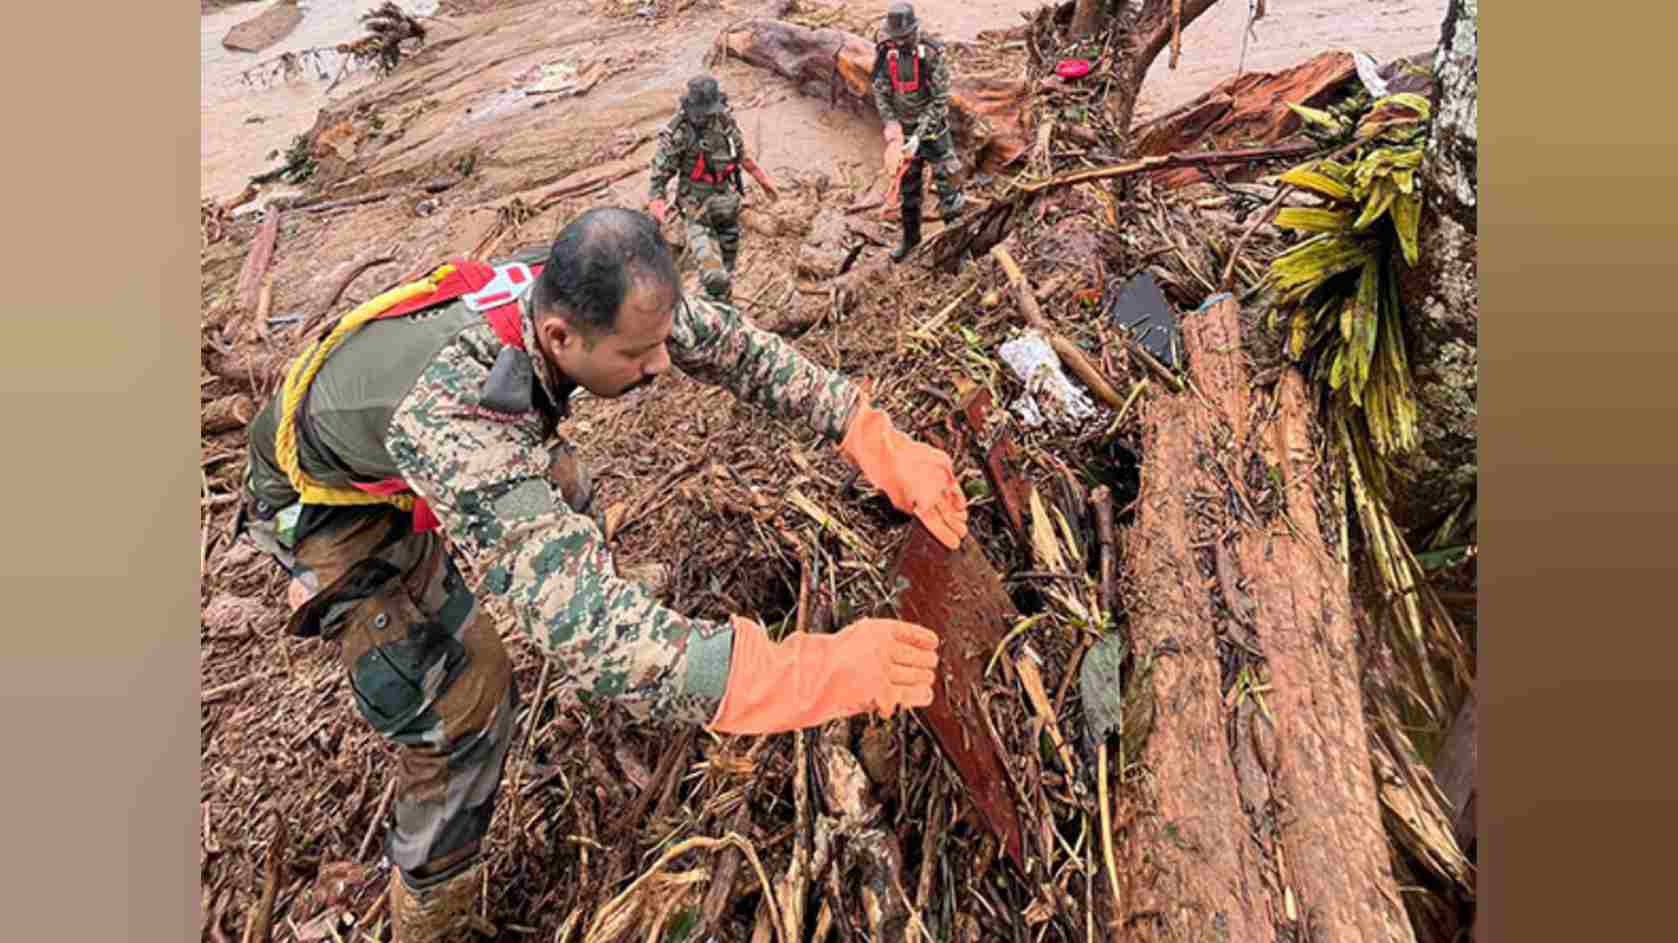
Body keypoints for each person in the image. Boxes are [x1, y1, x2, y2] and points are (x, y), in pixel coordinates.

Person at [233, 207, 967, 941]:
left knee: (568, 489)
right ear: (558, 338)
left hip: (422, 439)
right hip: (330, 506)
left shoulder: (594, 295)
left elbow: (737, 349)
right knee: (465, 702)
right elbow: (585, 635)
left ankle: (617, 607)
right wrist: (808, 672)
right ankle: (433, 917)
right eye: (638, 356)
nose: (661, 366)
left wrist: (869, 434)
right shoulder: (459, 415)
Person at [645, 75, 780, 304]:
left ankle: (722, 303)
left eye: (708, 110)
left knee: (728, 265)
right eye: (701, 111)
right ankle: (716, 309)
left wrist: (763, 181)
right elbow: (657, 181)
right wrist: (657, 213)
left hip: (726, 205)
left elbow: (741, 156)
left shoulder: (724, 121)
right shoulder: (678, 133)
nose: (704, 116)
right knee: (714, 276)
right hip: (696, 211)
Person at [871, 2, 966, 262]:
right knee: (908, 190)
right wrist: (892, 124)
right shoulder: (885, 52)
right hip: (904, 132)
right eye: (896, 38)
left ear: (914, 30)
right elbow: (880, 90)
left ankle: (957, 248)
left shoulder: (932, 54)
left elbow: (940, 99)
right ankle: (911, 239)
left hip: (933, 132)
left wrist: (919, 135)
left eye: (904, 38)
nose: (900, 43)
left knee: (949, 188)